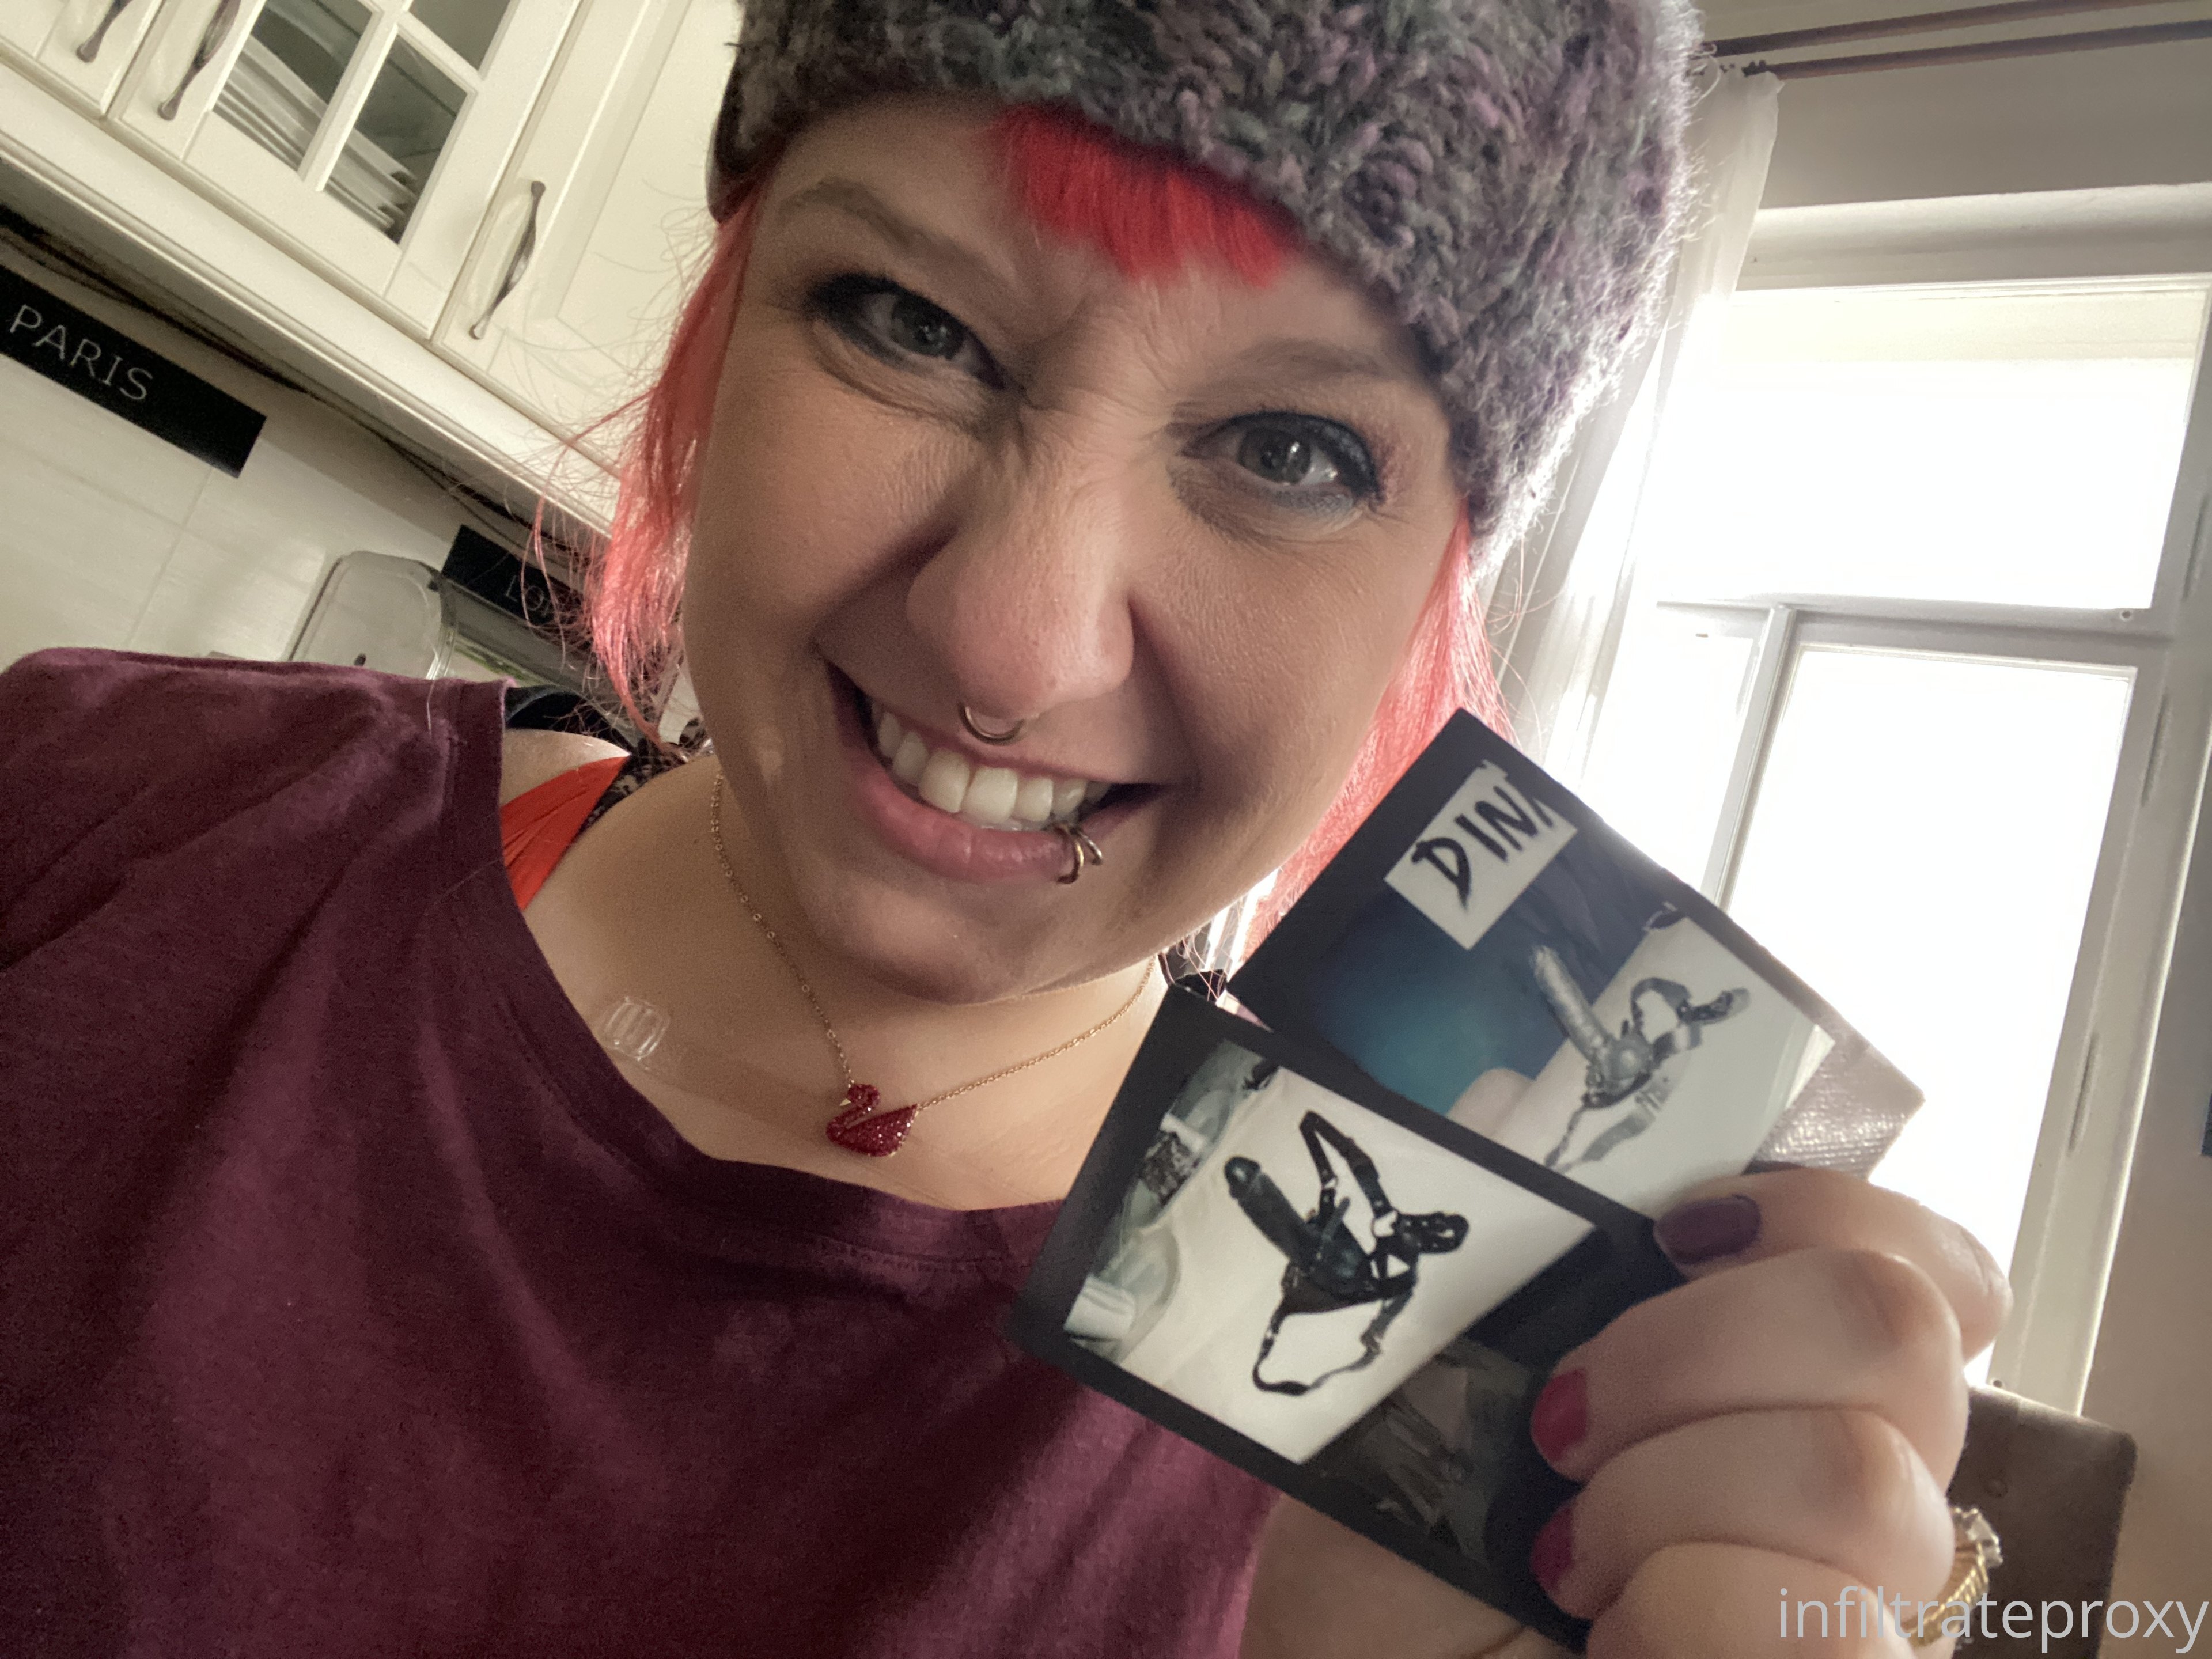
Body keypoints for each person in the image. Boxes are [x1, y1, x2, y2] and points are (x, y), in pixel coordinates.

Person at [0, 1, 2011, 1654]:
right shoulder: (94, 806)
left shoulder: (1428, 1473)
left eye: (1292, 449)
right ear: (723, 323)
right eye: (908, 321)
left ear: (1434, 599)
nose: (1009, 644)